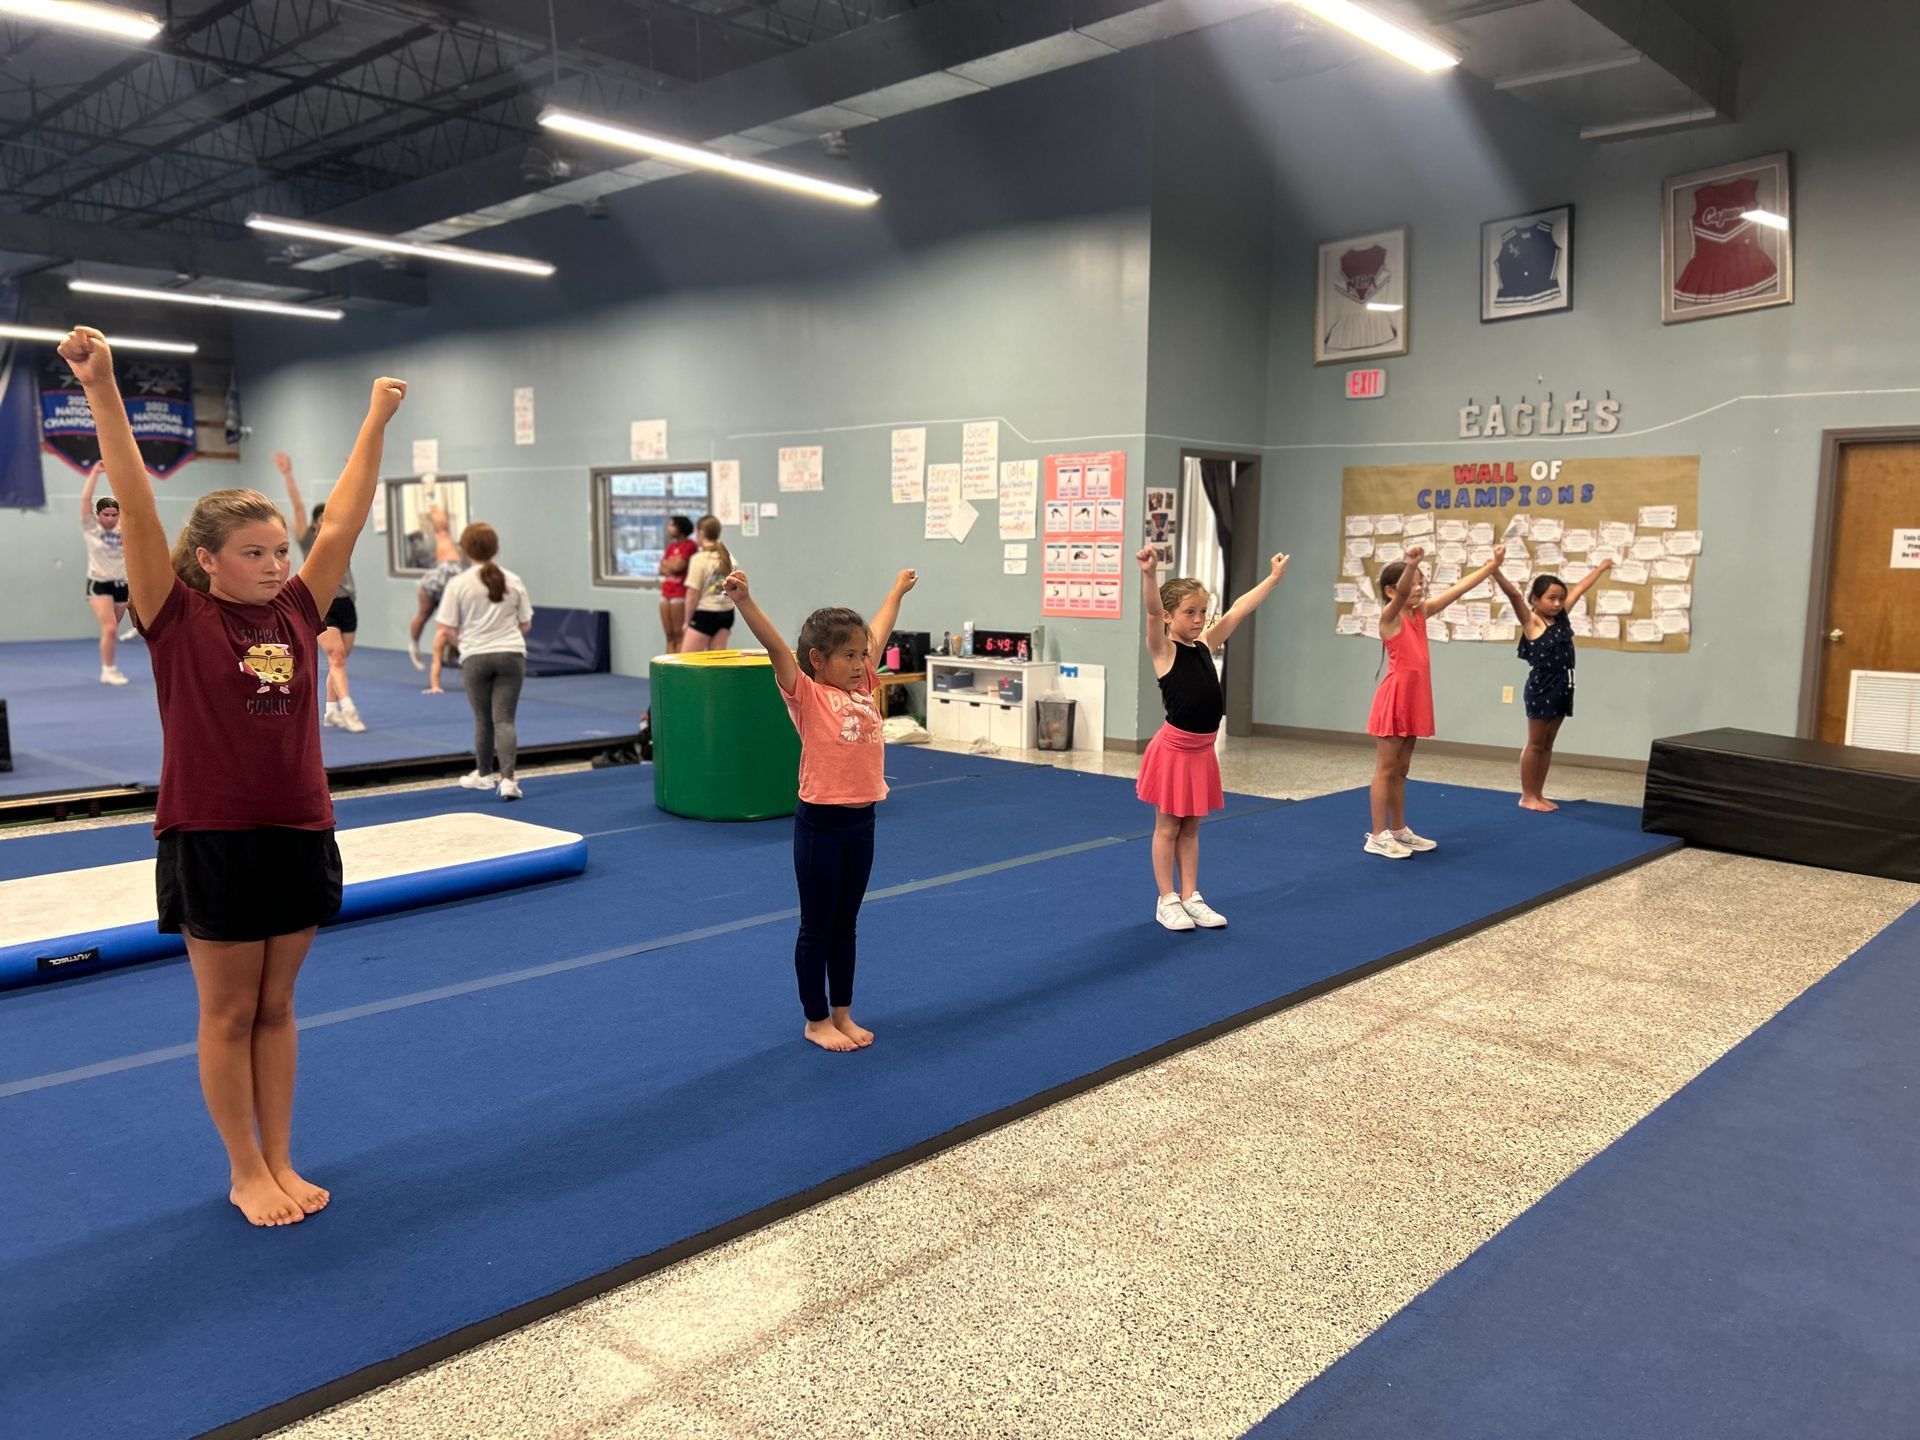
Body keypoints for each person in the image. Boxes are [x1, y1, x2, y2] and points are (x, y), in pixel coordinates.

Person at [60, 323, 405, 1227]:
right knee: (227, 1013)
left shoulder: (297, 608)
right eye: (254, 554)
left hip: (298, 824)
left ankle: (283, 1157)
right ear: (207, 560)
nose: (277, 566)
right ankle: (244, 1167)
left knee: (279, 1007)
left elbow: (349, 514)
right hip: (210, 832)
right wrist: (99, 388)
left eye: (281, 552)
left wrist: (375, 418)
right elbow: (137, 509)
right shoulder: (174, 617)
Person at [725, 564, 916, 1052]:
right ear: (817, 658)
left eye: (862, 655)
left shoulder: (863, 685)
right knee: (817, 926)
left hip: (862, 821)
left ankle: (843, 1013)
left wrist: (895, 589)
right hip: (821, 825)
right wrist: (745, 601)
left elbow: (880, 627)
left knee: (847, 923)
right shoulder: (807, 695)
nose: (859, 663)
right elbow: (774, 647)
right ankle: (815, 1021)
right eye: (848, 655)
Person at [1134, 545, 1290, 931]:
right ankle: (1166, 898)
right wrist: (1149, 574)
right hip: (1174, 751)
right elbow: (1152, 611)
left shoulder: (1205, 644)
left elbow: (1238, 609)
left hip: (1202, 752)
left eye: (1202, 612)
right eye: (1189, 612)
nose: (1199, 619)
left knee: (1191, 828)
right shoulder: (1163, 650)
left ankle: (1191, 896)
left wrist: (1272, 578)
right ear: (1170, 616)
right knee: (1168, 827)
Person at [1364, 543, 1505, 858]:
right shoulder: (1390, 617)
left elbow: (1457, 590)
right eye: (1414, 584)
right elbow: (1401, 595)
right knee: (1385, 768)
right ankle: (1376, 834)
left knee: (1401, 769)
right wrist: (1411, 566)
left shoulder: (1420, 614)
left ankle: (1399, 830)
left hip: (1414, 699)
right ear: (1390, 591)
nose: (1418, 589)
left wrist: (1490, 568)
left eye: (1421, 583)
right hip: (1395, 698)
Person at [1493, 558, 1613, 811]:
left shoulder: (1561, 618)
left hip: (1564, 684)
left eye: (1560, 598)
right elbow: (1514, 595)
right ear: (1535, 600)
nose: (1557, 603)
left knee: (1548, 744)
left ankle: (1538, 793)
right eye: (1551, 598)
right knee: (1536, 742)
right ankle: (1527, 795)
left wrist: (1600, 569)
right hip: (1542, 686)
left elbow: (1580, 588)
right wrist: (1495, 570)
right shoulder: (1533, 622)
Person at [435, 523, 534, 799]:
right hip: (511, 654)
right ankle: (509, 780)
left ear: (465, 549)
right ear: (496, 548)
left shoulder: (459, 584)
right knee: (505, 719)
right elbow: (525, 624)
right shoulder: (513, 580)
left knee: (482, 718)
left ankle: (483, 774)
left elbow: (447, 628)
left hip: (476, 655)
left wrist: (464, 645)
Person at [275, 450, 365, 733]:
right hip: (322, 604)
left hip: (347, 602)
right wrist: (288, 475)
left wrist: (352, 470)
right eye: (323, 517)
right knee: (336, 657)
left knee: (339, 660)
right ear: (316, 524)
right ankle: (349, 709)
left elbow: (349, 504)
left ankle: (330, 710)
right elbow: (299, 508)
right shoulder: (308, 539)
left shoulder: (341, 538)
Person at [79, 461, 130, 685]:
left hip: (122, 583)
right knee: (109, 628)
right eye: (106, 514)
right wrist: (95, 473)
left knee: (112, 630)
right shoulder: (91, 527)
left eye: (114, 515)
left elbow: (134, 503)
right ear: (98, 514)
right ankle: (107, 670)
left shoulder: (124, 529)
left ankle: (110, 664)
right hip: (99, 582)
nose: (110, 519)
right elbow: (84, 500)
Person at [410, 503, 466, 693]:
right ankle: (414, 644)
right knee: (424, 613)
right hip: (445, 581)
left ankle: (431, 501)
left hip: (443, 581)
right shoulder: (461, 635)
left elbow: (436, 660)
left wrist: (435, 686)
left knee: (424, 614)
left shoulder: (444, 633)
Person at [679, 516, 735, 652]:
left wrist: (687, 622)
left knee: (686, 663)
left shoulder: (700, 559)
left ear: (701, 533)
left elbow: (692, 595)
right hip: (727, 613)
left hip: (706, 614)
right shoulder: (729, 557)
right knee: (716, 664)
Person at [658, 514, 697, 654]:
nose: (668, 528)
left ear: (680, 528)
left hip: (680, 593)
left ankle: (678, 670)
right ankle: (667, 671)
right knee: (669, 635)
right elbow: (661, 569)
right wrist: (670, 565)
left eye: (672, 525)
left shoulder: (690, 546)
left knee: (679, 635)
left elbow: (678, 566)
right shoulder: (670, 547)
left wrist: (670, 565)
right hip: (666, 592)